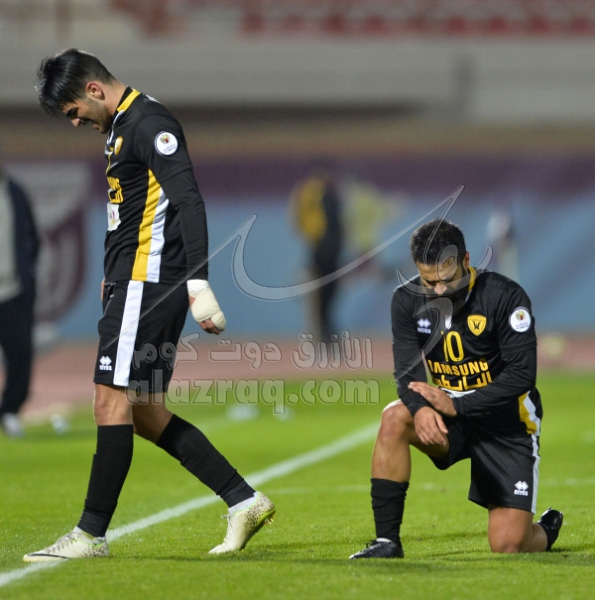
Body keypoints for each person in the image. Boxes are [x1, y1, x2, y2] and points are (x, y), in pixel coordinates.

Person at [24, 49, 275, 562]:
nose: (75, 122)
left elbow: (188, 200)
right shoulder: (122, 127)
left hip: (149, 283)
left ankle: (90, 535)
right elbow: (134, 212)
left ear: (94, 89)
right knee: (144, 412)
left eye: (74, 110)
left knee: (108, 402)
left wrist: (199, 283)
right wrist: (111, 273)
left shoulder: (149, 124)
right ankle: (244, 500)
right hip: (133, 281)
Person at [350, 218, 563, 559]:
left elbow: (522, 375)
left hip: (506, 422)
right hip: (450, 415)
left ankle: (545, 530)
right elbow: (407, 373)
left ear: (465, 261)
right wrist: (420, 409)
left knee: (508, 545)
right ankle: (387, 542)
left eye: (446, 280)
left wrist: (459, 406)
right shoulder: (406, 301)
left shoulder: (504, 296)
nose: (438, 290)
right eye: (428, 280)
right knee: (394, 417)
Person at [0, 163, 39, 438]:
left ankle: (10, 411)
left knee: (20, 355)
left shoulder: (14, 191)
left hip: (13, 291)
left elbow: (32, 236)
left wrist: (27, 273)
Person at [289, 165, 343, 342]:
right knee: (324, 294)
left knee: (326, 294)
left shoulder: (320, 194)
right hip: (324, 250)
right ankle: (325, 332)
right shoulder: (316, 194)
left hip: (325, 249)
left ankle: (326, 331)